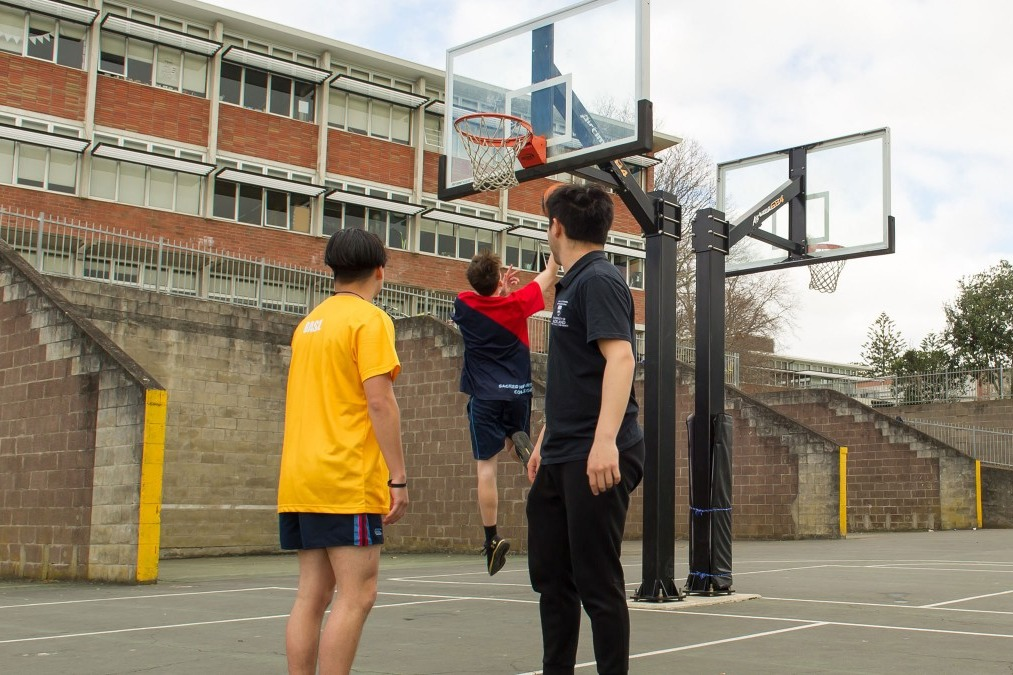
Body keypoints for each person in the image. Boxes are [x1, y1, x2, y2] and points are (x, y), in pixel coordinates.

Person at [277, 227, 409, 675]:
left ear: (333, 269)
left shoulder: (308, 324)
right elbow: (379, 400)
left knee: (311, 595)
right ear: (380, 270)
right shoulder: (370, 320)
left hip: (300, 476)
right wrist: (398, 477)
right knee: (358, 594)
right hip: (344, 476)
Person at [526, 183, 645, 675]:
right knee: (552, 581)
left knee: (597, 583)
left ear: (556, 227)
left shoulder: (599, 280)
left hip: (597, 453)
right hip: (561, 451)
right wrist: (542, 442)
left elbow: (620, 358)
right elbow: (575, 376)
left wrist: (603, 445)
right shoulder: (571, 285)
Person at [451, 247, 558, 575]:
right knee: (514, 442)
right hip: (517, 393)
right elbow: (551, 275)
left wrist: (498, 288)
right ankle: (522, 446)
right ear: (499, 278)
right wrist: (554, 238)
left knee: (486, 468)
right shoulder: (516, 304)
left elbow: (482, 297)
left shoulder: (464, 304)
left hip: (484, 397)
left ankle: (491, 538)